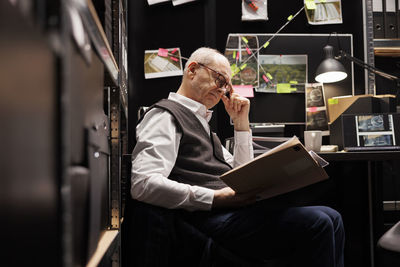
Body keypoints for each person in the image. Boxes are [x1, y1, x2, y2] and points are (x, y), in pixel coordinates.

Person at [131, 47, 345, 266]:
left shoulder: (202, 125)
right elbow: (143, 184)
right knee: (319, 223)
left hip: (232, 211)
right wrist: (214, 198)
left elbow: (242, 174)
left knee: (333, 217)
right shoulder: (164, 116)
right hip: (206, 217)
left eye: (226, 85)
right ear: (192, 70)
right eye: (220, 79)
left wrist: (241, 124)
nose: (223, 90)